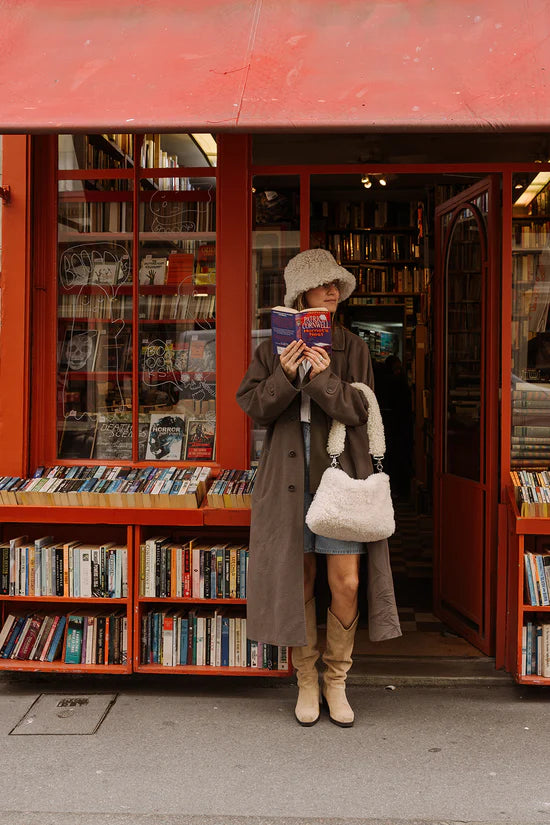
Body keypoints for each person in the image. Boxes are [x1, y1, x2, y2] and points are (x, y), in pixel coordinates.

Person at [236, 249, 401, 728]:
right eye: (323, 284)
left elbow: (359, 411)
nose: (333, 291)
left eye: (337, 285)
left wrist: (322, 376)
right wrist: (286, 375)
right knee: (300, 576)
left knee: (346, 579)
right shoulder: (271, 348)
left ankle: (337, 679)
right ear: (300, 294)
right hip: (287, 478)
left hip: (340, 472)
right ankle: (306, 679)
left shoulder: (353, 346)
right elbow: (254, 407)